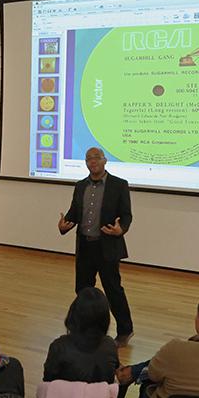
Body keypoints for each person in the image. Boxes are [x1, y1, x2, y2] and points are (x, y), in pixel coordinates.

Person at [58, 147, 134, 346]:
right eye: (88, 159)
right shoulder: (80, 186)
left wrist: (121, 229)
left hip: (107, 246)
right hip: (85, 245)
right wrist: (64, 224)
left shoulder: (119, 185)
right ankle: (84, 329)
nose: (92, 162)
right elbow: (74, 212)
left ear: (105, 161)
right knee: (82, 290)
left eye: (96, 158)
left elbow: (126, 215)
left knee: (113, 290)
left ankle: (125, 330)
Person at [43, 287, 120, 383]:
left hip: (66, 396)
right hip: (99, 397)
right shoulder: (110, 345)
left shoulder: (59, 347)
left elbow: (48, 381)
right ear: (105, 319)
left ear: (74, 314)